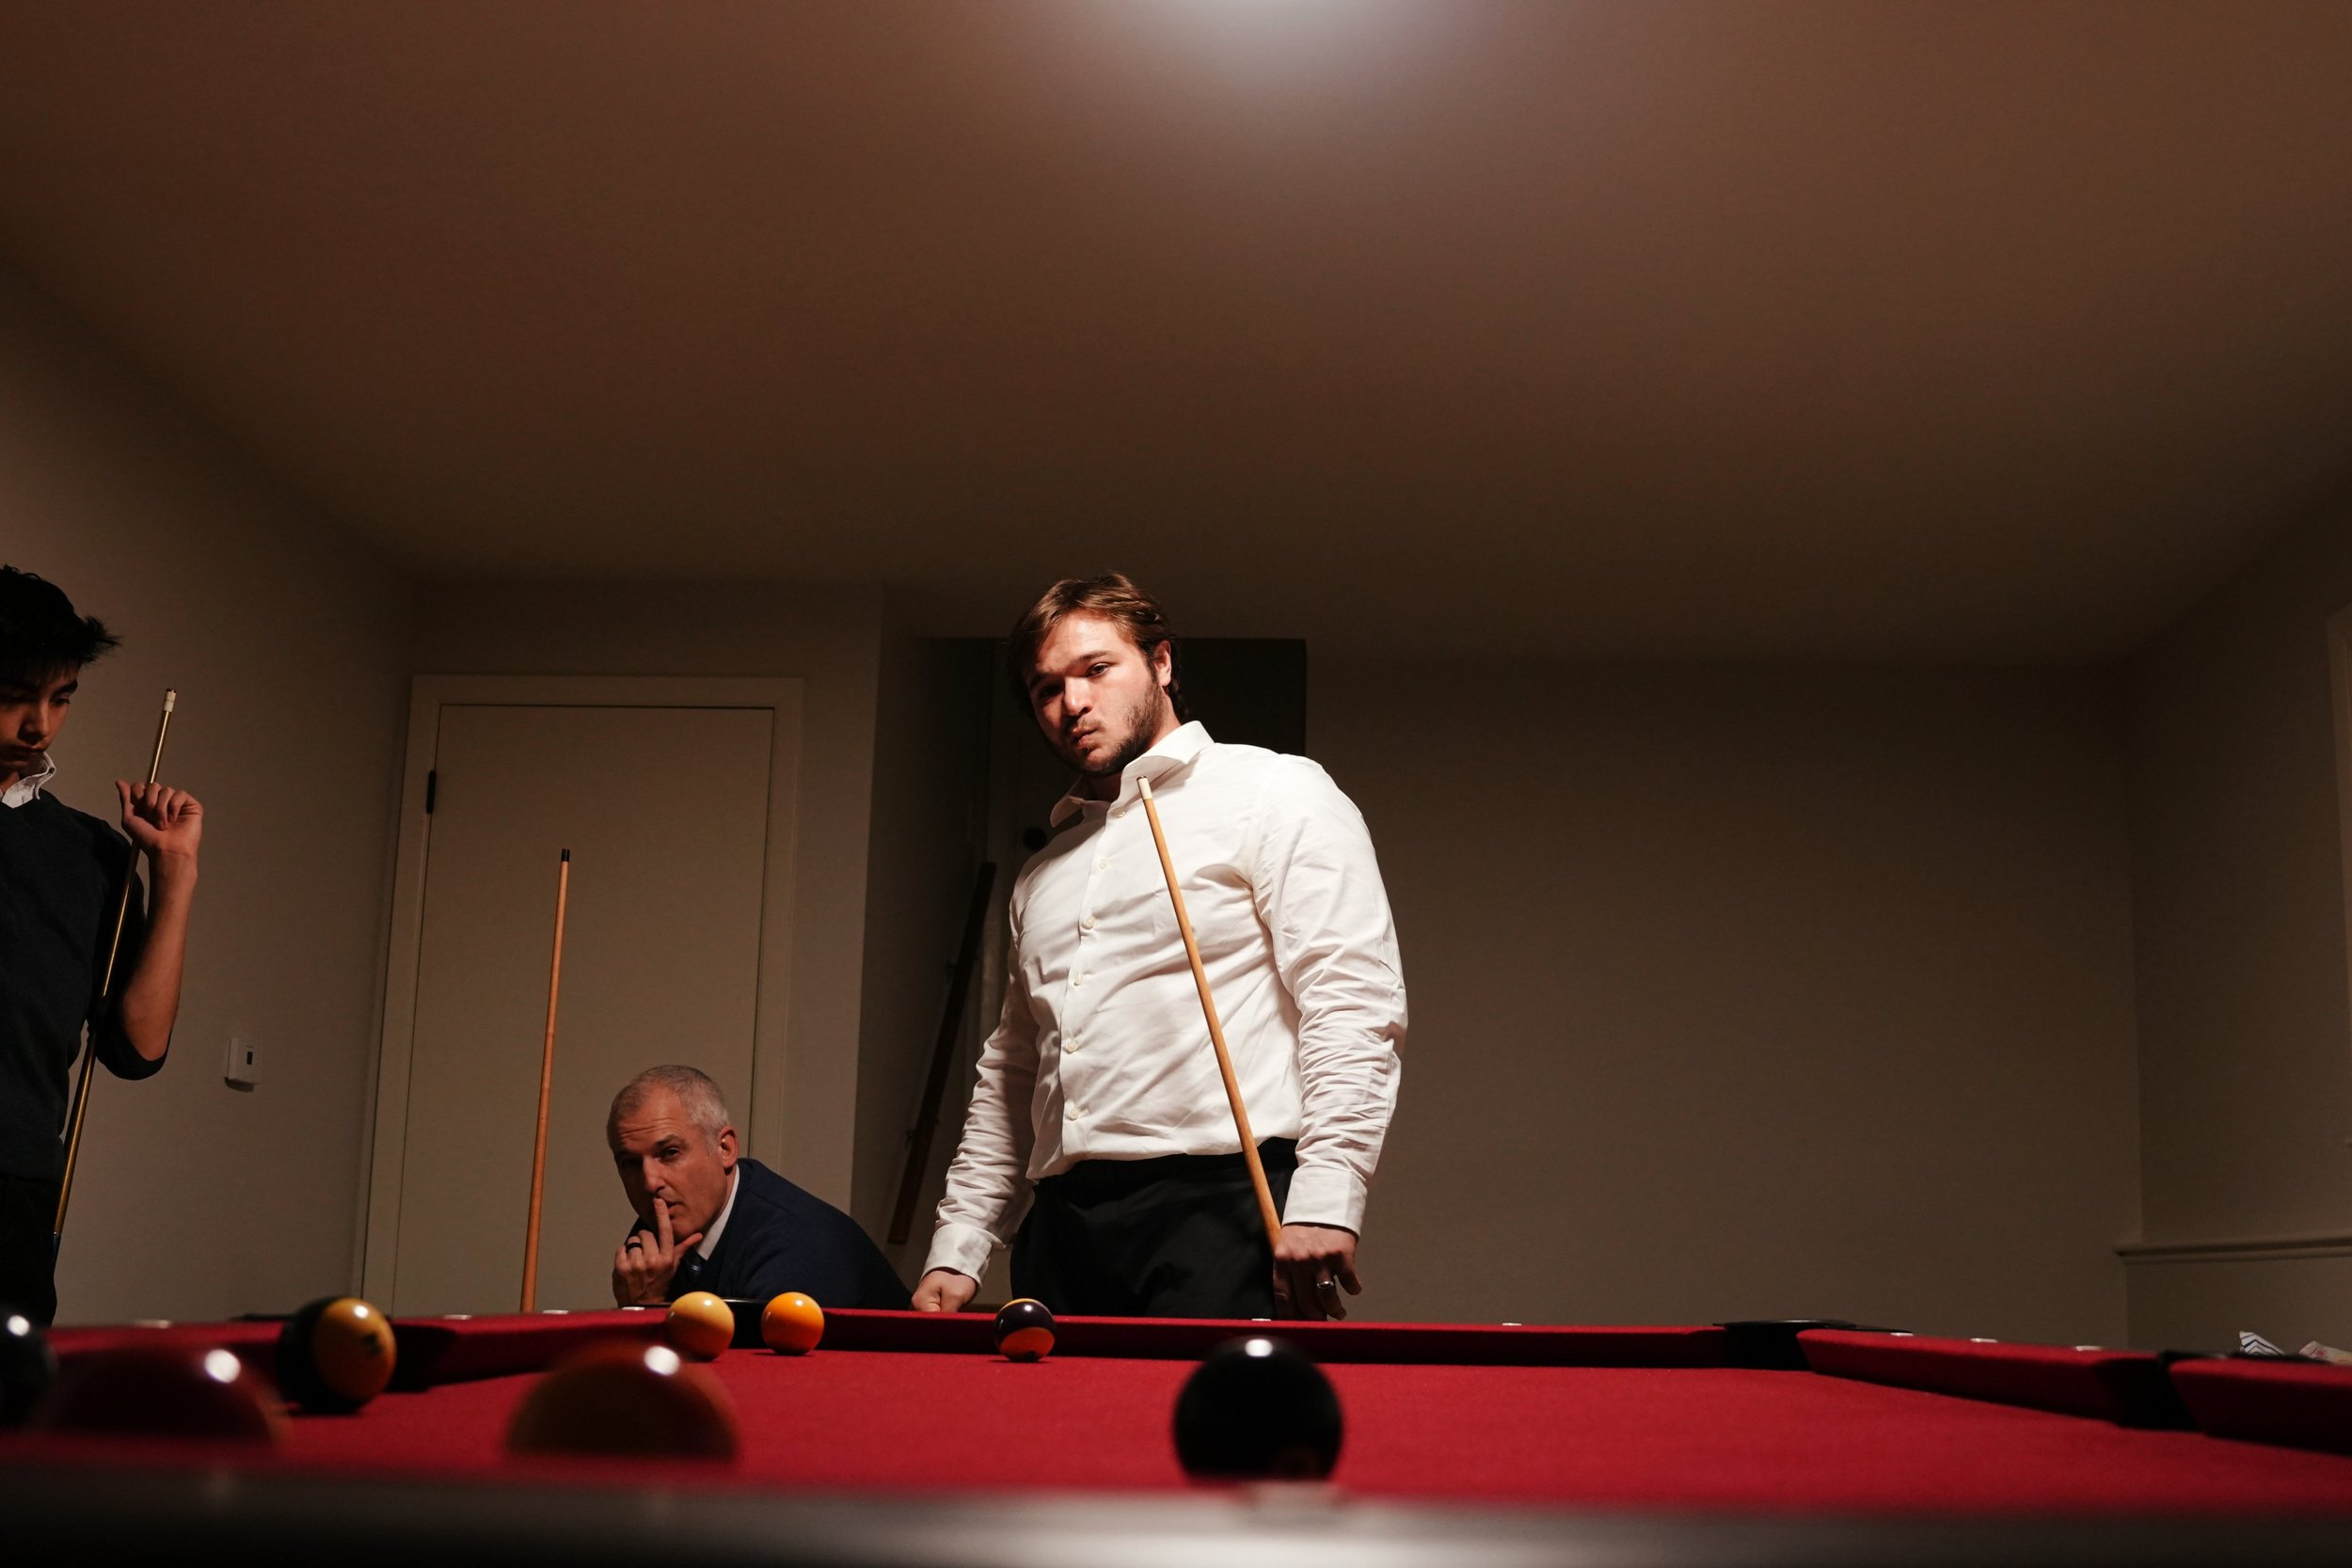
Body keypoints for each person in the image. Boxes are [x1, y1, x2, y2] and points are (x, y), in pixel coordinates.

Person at [914, 574, 1406, 1321]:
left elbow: (1351, 1000)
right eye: (1046, 688)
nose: (1072, 702)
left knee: (1217, 1440)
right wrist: (960, 1241)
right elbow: (1014, 1072)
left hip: (1224, 1210)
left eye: (1096, 669)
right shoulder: (1041, 873)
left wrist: (1328, 1196)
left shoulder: (1278, 791)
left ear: (1163, 662)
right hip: (1060, 1232)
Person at [0, 566, 201, 1325]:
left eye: (59, 699)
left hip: (16, 1184)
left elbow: (136, 1048)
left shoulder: (88, 852)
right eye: (16, 694)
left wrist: (174, 869)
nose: (38, 726)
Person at [607, 1065, 908, 1309]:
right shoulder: (660, 1229)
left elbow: (764, 1381)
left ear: (725, 1148)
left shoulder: (795, 1245)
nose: (649, 1181)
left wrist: (645, 1308)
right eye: (630, 1163)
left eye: (670, 1153)